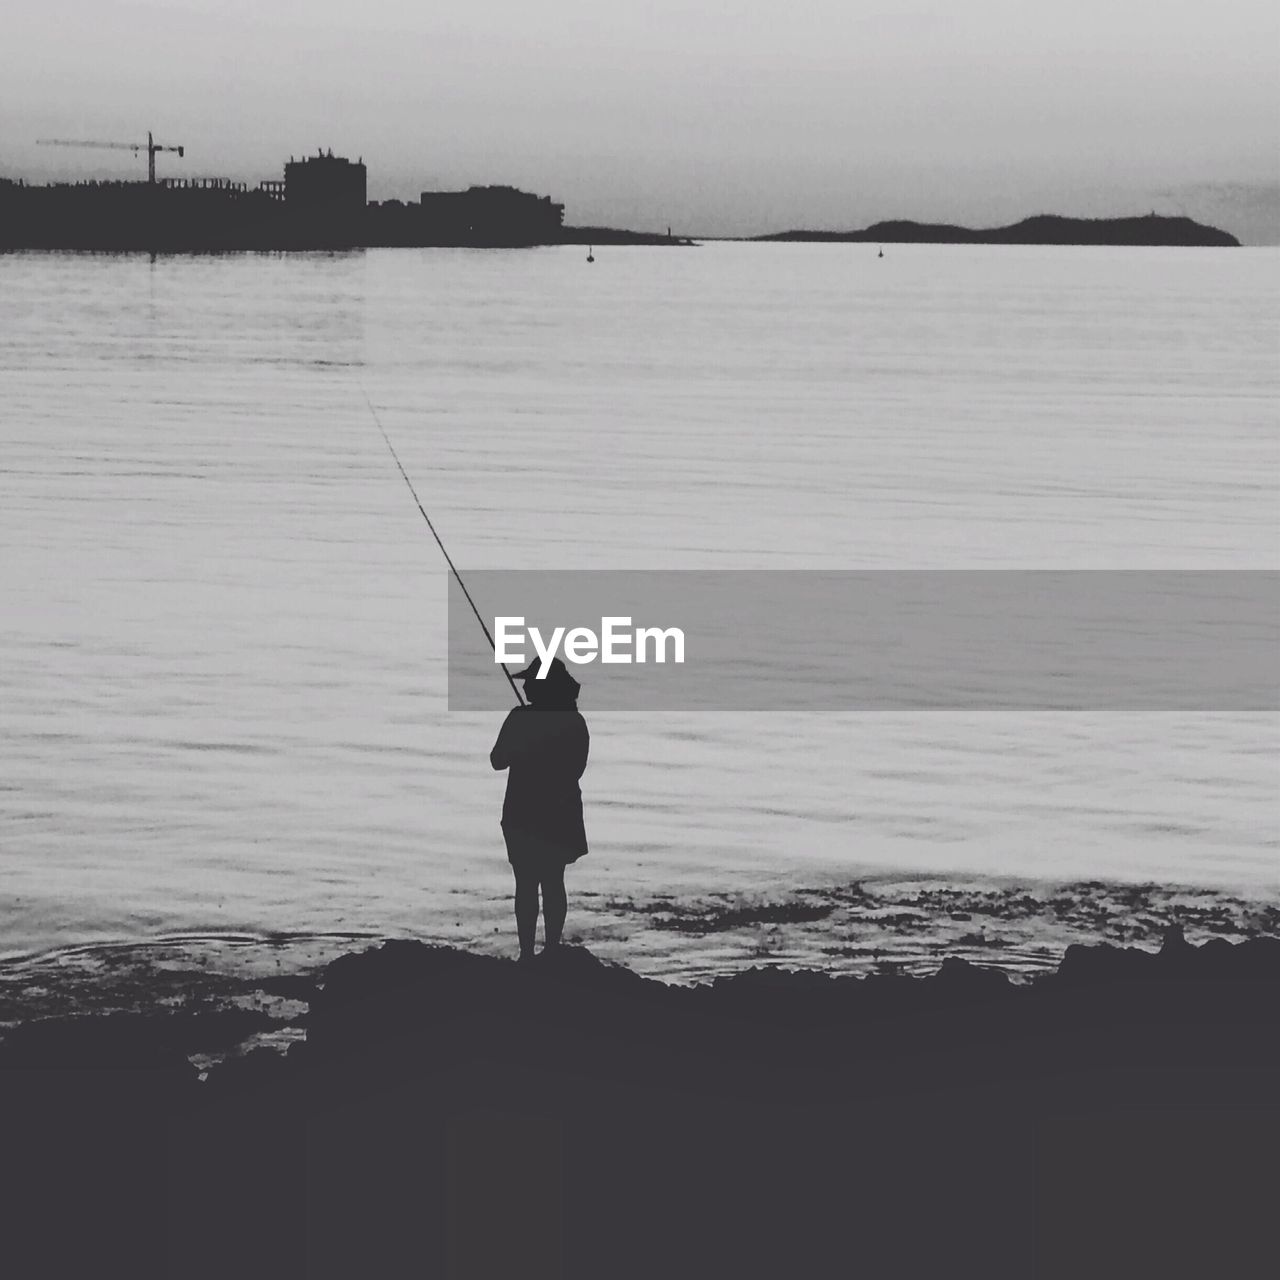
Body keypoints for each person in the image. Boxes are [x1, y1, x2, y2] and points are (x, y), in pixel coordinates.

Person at [489, 657, 589, 961]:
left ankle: (528, 955)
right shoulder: (574, 722)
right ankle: (551, 950)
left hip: (524, 812)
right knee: (553, 880)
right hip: (558, 812)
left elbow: (497, 759)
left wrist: (527, 739)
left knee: (528, 883)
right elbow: (576, 769)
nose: (527, 686)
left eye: (532, 681)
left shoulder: (521, 718)